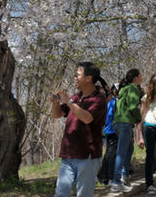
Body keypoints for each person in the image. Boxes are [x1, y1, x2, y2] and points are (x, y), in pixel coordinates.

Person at [51, 61, 107, 197]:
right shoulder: (75, 97)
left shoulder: (98, 99)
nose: (75, 78)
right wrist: (55, 103)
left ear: (88, 78)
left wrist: (69, 102)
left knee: (83, 194)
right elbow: (57, 115)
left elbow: (87, 118)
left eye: (78, 75)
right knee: (60, 193)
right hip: (68, 153)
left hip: (88, 155)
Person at [111, 69, 142, 193]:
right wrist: (139, 118)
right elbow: (133, 106)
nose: (142, 77)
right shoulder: (133, 88)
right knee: (121, 151)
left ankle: (124, 176)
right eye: (140, 76)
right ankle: (116, 182)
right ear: (135, 78)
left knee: (129, 148)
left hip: (118, 123)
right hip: (125, 123)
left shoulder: (122, 90)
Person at [97, 84, 117, 186]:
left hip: (109, 131)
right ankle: (108, 177)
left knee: (109, 154)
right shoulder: (111, 102)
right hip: (112, 131)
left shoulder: (107, 102)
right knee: (111, 154)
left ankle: (103, 177)